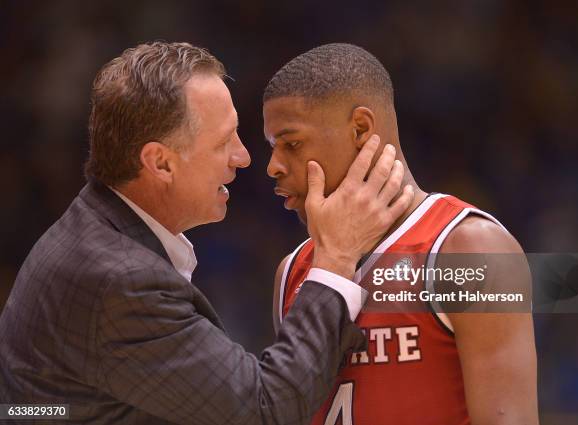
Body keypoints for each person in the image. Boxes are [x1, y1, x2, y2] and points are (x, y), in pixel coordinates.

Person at [0, 42, 415, 424]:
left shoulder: (469, 243)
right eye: (223, 142)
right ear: (161, 163)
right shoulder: (118, 278)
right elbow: (266, 410)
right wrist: (337, 257)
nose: (246, 157)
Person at [264, 43, 538, 425]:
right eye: (271, 146)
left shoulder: (469, 248)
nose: (273, 166)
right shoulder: (291, 271)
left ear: (360, 128)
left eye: (291, 144)